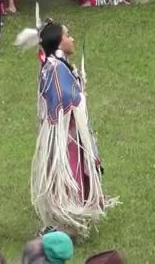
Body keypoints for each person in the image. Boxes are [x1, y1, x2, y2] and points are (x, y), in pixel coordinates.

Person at [15, 18, 118, 237]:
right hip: (65, 137)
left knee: (73, 173)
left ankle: (68, 222)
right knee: (69, 174)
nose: (72, 39)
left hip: (69, 135)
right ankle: (65, 224)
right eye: (68, 35)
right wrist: (79, 94)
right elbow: (63, 98)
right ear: (59, 43)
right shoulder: (54, 68)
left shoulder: (55, 64)